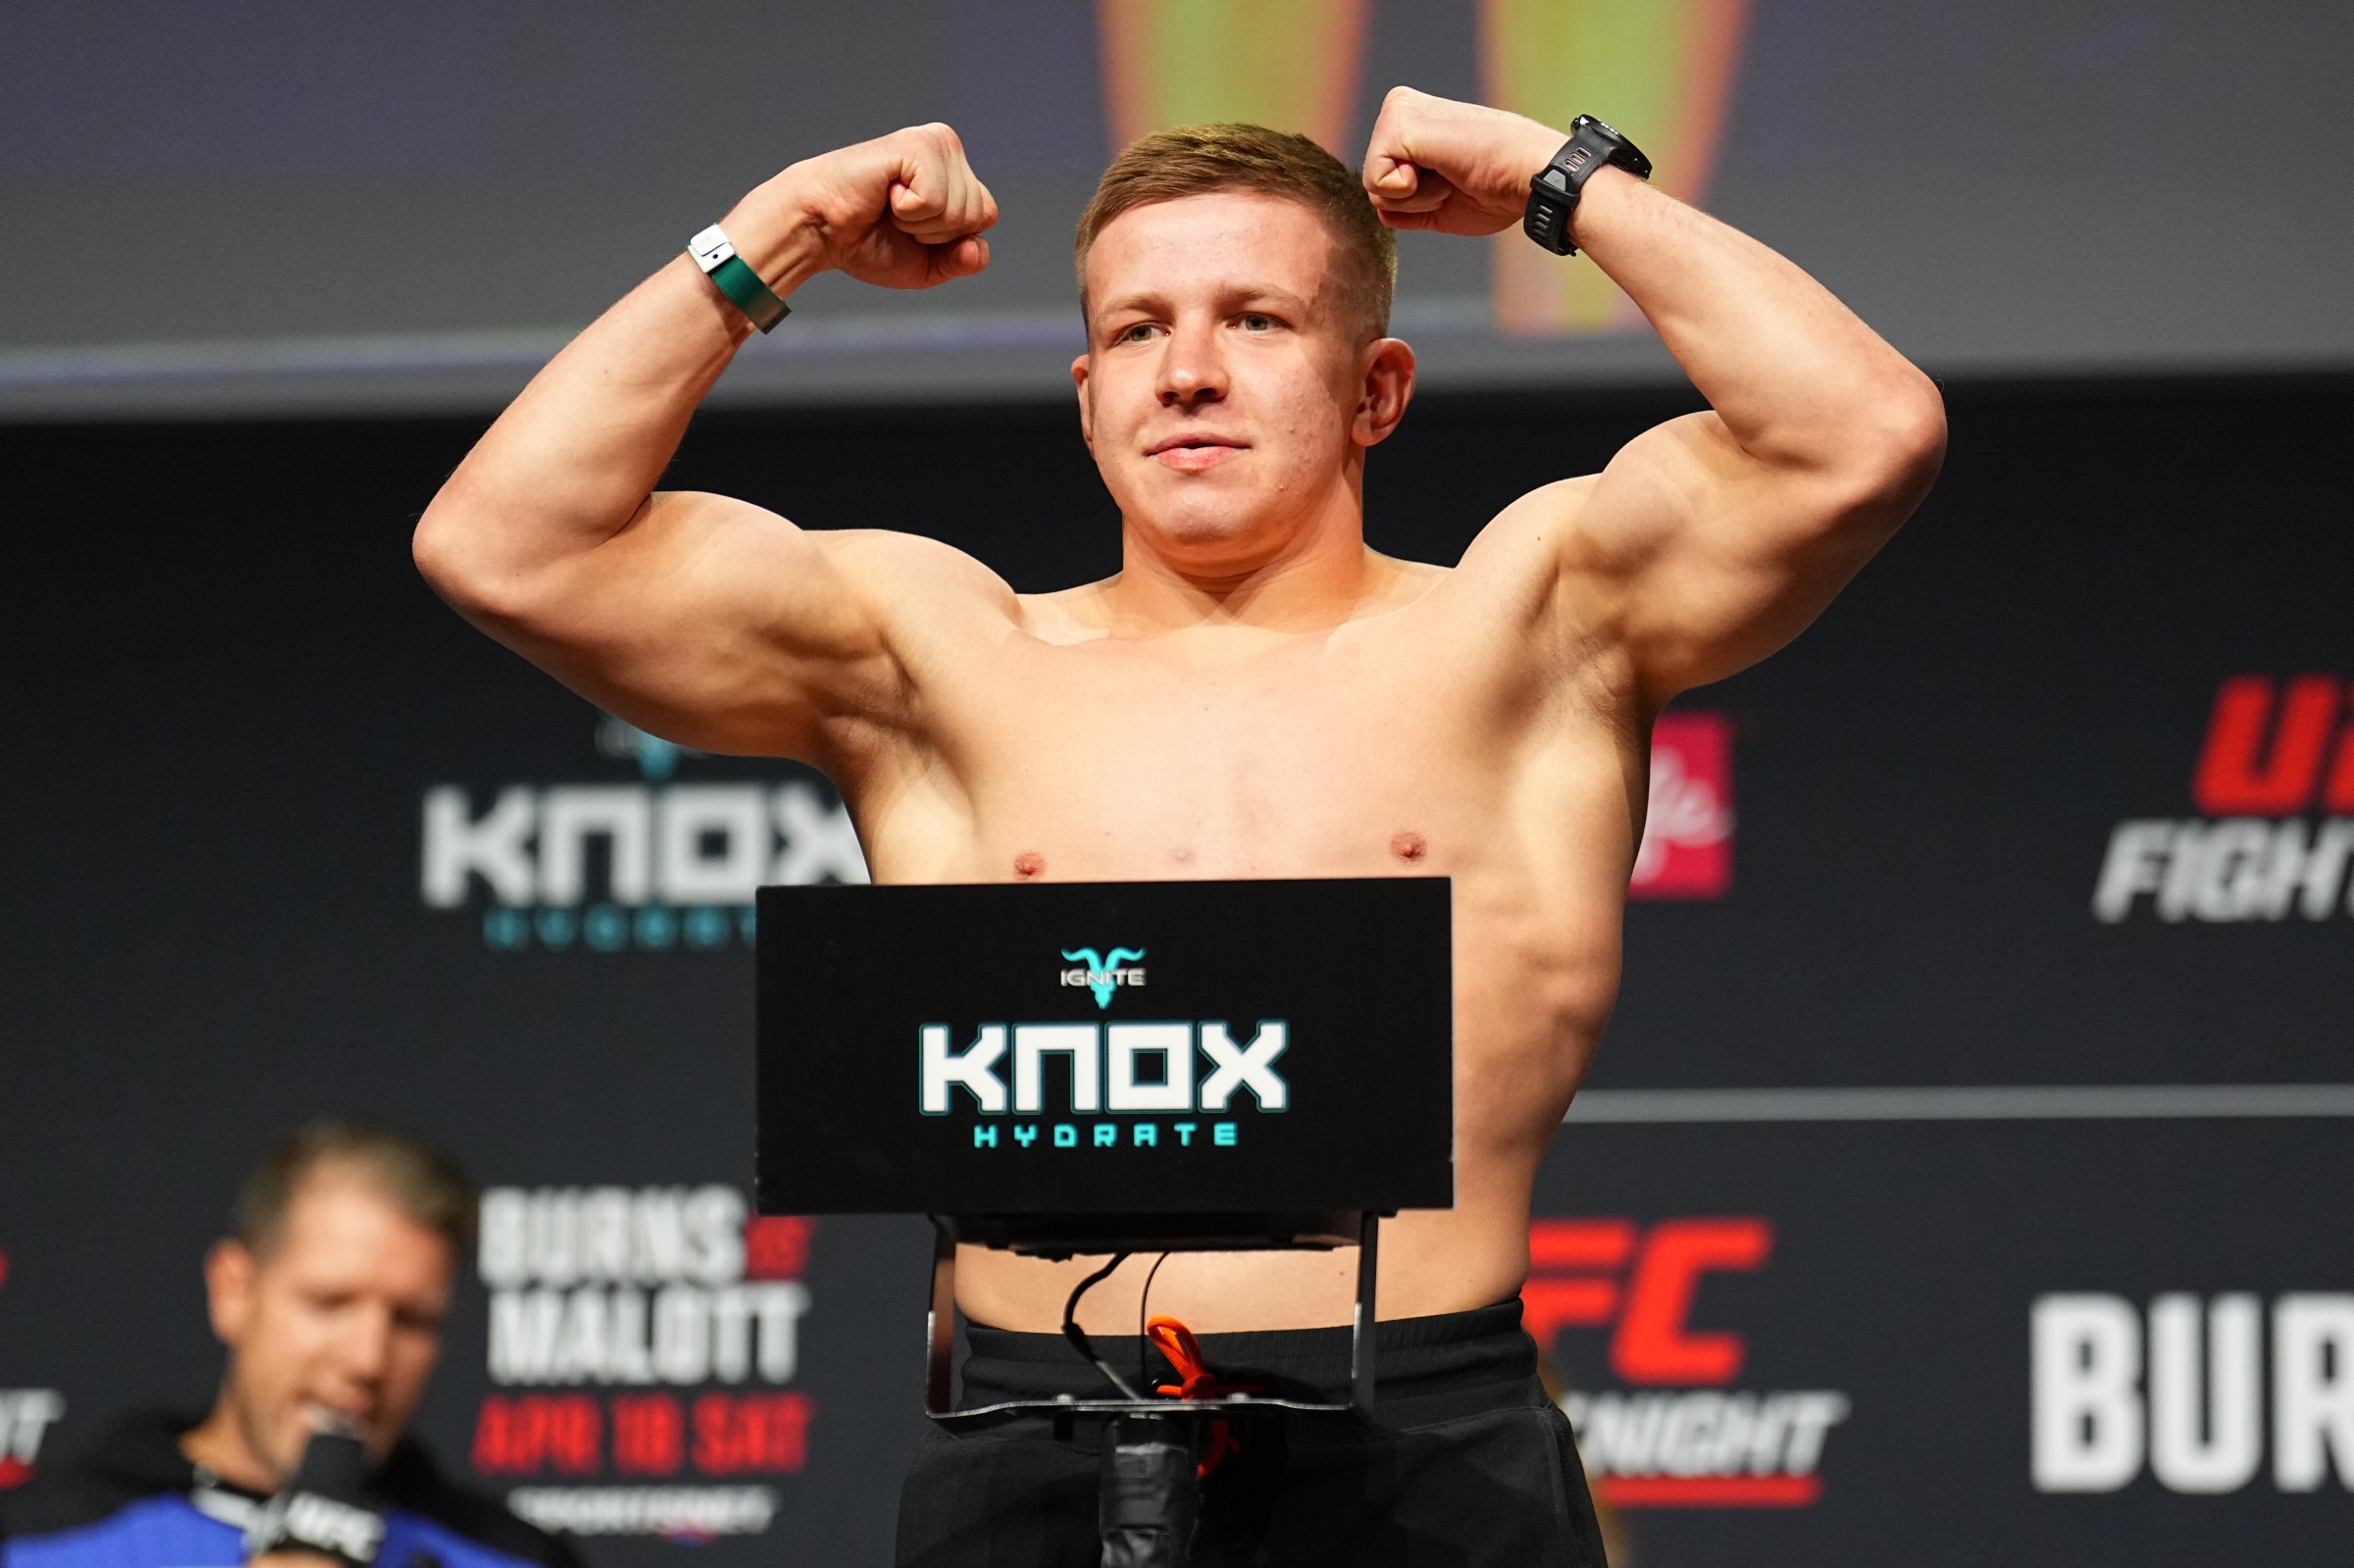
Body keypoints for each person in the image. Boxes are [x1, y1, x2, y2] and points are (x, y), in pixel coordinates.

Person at [411, 85, 1943, 1565]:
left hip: (1425, 1450)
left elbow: (1862, 431)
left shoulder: (1533, 621)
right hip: (1032, 1450)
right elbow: (505, 542)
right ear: (1087, 398)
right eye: (1139, 329)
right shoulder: (939, 653)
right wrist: (783, 228)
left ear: (1376, 390)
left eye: (1255, 319)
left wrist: (1558, 174)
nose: (1187, 371)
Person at [0, 1121, 575, 1568]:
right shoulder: (32, 1541)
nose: (367, 1359)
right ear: (233, 1291)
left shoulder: (513, 1558)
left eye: (411, 1321)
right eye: (330, 1303)